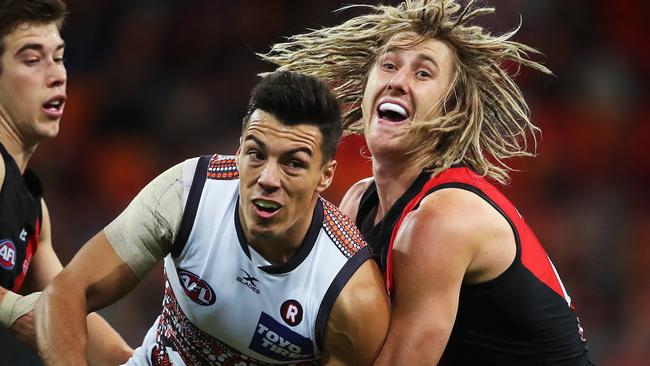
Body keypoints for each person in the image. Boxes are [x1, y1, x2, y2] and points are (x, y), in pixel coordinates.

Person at [261, 0, 593, 364]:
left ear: (453, 110)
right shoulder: (358, 204)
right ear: (366, 86)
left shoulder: (444, 219)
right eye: (388, 65)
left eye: (423, 74)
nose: (398, 82)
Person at [35, 71, 390, 365]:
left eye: (293, 163)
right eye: (256, 154)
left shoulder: (351, 296)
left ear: (325, 176)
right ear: (238, 152)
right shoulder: (189, 192)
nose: (267, 178)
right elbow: (68, 292)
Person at [0, 0, 133, 363]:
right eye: (32, 59)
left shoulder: (33, 211)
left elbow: (69, 315)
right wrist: (11, 307)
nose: (57, 75)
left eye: (58, 57)